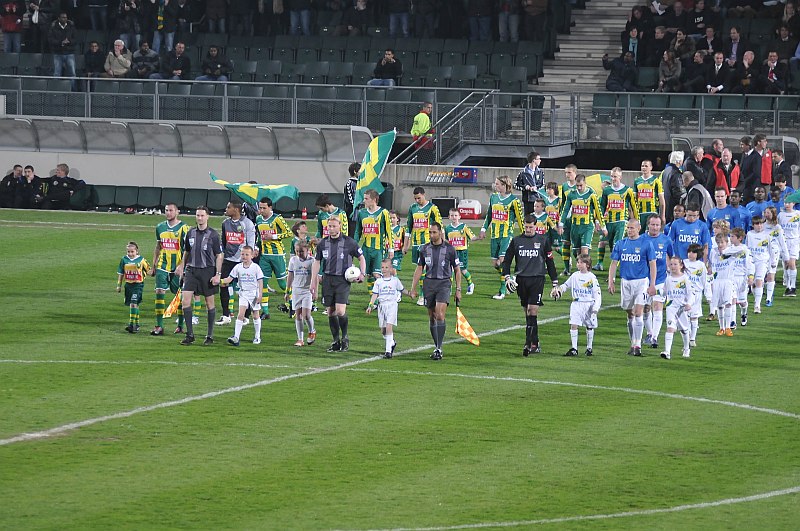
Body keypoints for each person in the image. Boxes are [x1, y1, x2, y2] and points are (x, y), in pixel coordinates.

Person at [502, 215, 559, 356]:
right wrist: (507, 277)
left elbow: (550, 262)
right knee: (527, 313)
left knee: (532, 310)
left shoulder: (543, 240)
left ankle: (528, 344)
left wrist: (555, 282)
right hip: (521, 280)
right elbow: (507, 261)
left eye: (530, 227)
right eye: (526, 227)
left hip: (537, 279)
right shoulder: (516, 241)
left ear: (535, 226)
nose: (528, 229)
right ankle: (535, 341)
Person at [310, 216, 366, 353]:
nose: (331, 228)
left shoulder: (349, 242)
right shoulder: (323, 243)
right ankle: (335, 341)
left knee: (340, 311)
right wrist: (313, 281)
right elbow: (317, 262)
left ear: (340, 226)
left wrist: (362, 274)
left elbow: (361, 257)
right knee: (330, 312)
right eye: (329, 226)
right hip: (328, 279)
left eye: (334, 226)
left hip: (342, 280)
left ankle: (345, 337)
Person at [410, 222, 461, 360]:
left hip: (444, 284)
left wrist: (458, 289)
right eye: (430, 233)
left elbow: (457, 270)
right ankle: (436, 346)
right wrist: (413, 288)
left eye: (434, 232)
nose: (432, 235)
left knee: (439, 314)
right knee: (432, 316)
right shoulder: (424, 249)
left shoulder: (450, 249)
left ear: (440, 232)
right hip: (429, 284)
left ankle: (439, 347)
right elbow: (419, 268)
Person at [607, 218, 657, 357]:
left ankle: (638, 345)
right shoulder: (620, 244)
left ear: (638, 228)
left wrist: (652, 284)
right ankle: (632, 342)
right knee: (630, 314)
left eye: (632, 228)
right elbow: (613, 263)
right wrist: (611, 281)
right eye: (628, 228)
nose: (629, 230)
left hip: (641, 282)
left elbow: (652, 264)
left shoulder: (646, 244)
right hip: (626, 282)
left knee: (638, 312)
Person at [176, 206, 223, 346]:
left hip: (207, 271)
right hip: (191, 271)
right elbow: (186, 252)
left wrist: (218, 274)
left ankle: (209, 335)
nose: (200, 218)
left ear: (207, 217)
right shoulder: (190, 233)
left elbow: (219, 255)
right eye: (197, 215)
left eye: (202, 215)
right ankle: (190, 334)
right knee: (185, 301)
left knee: (209, 304)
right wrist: (182, 267)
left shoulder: (213, 235)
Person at [478, 176, 525, 300]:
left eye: (498, 184)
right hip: (494, 235)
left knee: (503, 261)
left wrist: (524, 234)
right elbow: (489, 215)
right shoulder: (493, 197)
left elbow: (520, 219)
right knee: (495, 264)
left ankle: (502, 291)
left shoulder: (514, 200)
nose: (496, 186)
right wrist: (483, 229)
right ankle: (510, 279)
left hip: (506, 235)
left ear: (505, 185)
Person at [150, 202, 189, 336]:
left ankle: (180, 325)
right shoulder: (160, 227)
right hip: (162, 265)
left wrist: (182, 265)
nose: (168, 213)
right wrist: (153, 265)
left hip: (178, 267)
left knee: (179, 296)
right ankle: (159, 326)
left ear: (177, 212)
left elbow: (188, 250)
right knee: (159, 292)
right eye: (166, 210)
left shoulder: (184, 228)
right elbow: (158, 247)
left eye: (171, 210)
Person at [551, 253, 602, 357]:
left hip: (588, 304)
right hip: (576, 304)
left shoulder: (592, 278)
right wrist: (558, 290)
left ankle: (589, 348)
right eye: (578, 262)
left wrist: (595, 309)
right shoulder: (575, 276)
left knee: (589, 326)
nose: (578, 264)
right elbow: (565, 285)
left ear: (587, 264)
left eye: (580, 262)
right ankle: (574, 348)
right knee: (574, 324)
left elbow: (597, 294)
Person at [216, 200, 256, 325]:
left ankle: (245, 316)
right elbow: (223, 241)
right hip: (228, 259)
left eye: (229, 207)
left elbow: (251, 243)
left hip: (242, 260)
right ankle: (226, 314)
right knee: (223, 284)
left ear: (236, 210)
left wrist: (248, 259)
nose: (226, 209)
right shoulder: (225, 223)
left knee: (246, 288)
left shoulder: (247, 223)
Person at [403, 186, 442, 305]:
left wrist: (442, 243)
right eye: (415, 198)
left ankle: (422, 295)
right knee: (419, 269)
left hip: (428, 243)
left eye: (419, 198)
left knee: (424, 269)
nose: (417, 201)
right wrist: (406, 245)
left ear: (424, 195)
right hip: (416, 243)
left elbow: (440, 227)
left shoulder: (432, 208)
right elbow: (408, 227)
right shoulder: (412, 208)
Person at [253, 197, 291, 320]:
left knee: (282, 283)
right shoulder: (258, 219)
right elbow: (259, 236)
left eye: (264, 208)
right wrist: (257, 248)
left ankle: (292, 305)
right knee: (262, 283)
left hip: (278, 255)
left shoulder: (277, 218)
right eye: (260, 208)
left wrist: (274, 236)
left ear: (270, 207)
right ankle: (265, 311)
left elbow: (289, 233)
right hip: (264, 256)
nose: (261, 210)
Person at [559, 174, 606, 270]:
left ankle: (587, 272)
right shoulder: (571, 194)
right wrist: (561, 224)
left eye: (581, 185)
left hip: (587, 227)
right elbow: (565, 210)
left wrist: (602, 226)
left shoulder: (591, 194)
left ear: (585, 183)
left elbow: (598, 211)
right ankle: (581, 272)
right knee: (577, 253)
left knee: (584, 251)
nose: (579, 188)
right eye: (577, 186)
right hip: (575, 227)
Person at [220, 245, 264, 346]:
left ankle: (257, 336)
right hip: (243, 293)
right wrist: (220, 281)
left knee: (255, 314)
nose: (244, 256)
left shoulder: (256, 267)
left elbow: (260, 281)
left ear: (252, 256)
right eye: (242, 254)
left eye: (247, 254)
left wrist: (260, 294)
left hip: (253, 293)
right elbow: (229, 279)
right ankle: (236, 337)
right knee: (240, 314)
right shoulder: (238, 267)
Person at [641, 215, 674, 349]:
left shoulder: (666, 240)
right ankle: (649, 333)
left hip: (661, 279)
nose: (655, 227)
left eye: (657, 225)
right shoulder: (641, 240)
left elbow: (672, 257)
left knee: (657, 306)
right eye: (653, 225)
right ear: (648, 225)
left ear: (661, 226)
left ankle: (654, 337)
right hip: (643, 279)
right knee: (645, 308)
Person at [367, 259, 410, 358]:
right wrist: (370, 305)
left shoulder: (395, 280)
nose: (384, 269)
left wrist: (410, 293)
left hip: (392, 305)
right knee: (383, 330)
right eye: (382, 267)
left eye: (387, 267)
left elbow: (402, 290)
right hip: (382, 306)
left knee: (389, 326)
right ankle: (392, 342)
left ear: (391, 268)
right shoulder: (379, 281)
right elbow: (375, 294)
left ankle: (388, 351)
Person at [598, 167, 639, 271]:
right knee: (609, 245)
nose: (613, 178)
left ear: (620, 176)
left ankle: (616, 271)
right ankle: (605, 264)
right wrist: (599, 220)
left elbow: (634, 206)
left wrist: (637, 221)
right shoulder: (607, 190)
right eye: (611, 176)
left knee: (617, 244)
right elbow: (602, 206)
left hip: (621, 221)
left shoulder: (627, 190)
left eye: (615, 176)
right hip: (609, 221)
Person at [354, 189, 394, 292]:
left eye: (366, 198)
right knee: (369, 275)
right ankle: (374, 300)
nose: (364, 201)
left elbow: (389, 231)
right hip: (366, 249)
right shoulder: (362, 213)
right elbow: (358, 231)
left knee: (377, 274)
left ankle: (387, 293)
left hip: (378, 249)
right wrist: (354, 246)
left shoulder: (383, 213)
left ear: (374, 199)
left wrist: (391, 249)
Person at [659, 256, 692, 360]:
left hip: (682, 308)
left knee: (684, 330)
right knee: (670, 329)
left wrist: (689, 304)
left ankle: (687, 348)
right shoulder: (668, 279)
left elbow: (690, 294)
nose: (673, 266)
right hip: (671, 307)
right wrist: (654, 293)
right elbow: (664, 292)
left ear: (681, 265)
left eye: (675, 264)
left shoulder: (685, 279)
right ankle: (667, 352)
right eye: (671, 264)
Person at [286, 241, 316, 346]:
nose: (299, 253)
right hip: (296, 290)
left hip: (307, 290)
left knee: (306, 315)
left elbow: (315, 277)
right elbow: (290, 276)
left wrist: (315, 291)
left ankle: (312, 331)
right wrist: (287, 290)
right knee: (297, 315)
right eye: (297, 251)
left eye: (301, 251)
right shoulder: (293, 260)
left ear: (308, 250)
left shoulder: (312, 261)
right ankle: (300, 339)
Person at [116, 241, 150, 333]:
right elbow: (121, 273)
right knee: (135, 305)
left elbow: (149, 270)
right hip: (128, 285)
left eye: (132, 252)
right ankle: (137, 324)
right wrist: (119, 285)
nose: (130, 254)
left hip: (138, 285)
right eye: (128, 252)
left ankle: (131, 324)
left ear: (137, 251)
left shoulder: (141, 260)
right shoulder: (124, 260)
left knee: (133, 303)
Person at [724, 227, 755, 328]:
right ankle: (732, 321)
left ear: (740, 238)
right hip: (731, 278)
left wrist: (750, 276)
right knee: (732, 299)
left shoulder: (745, 250)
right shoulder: (728, 250)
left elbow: (750, 264)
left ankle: (744, 313)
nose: (730, 238)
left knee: (742, 302)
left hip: (742, 278)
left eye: (732, 236)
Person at [445, 208, 478, 295]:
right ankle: (449, 288)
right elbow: (445, 239)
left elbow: (472, 236)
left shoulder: (463, 227)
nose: (454, 217)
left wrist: (478, 238)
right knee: (450, 270)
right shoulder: (448, 228)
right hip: (452, 252)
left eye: (456, 215)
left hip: (462, 252)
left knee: (462, 270)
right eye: (452, 215)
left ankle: (470, 284)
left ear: (459, 216)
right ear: (449, 217)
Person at [709, 232, 737, 336]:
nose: (720, 244)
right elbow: (712, 264)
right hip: (717, 281)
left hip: (727, 280)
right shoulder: (713, 252)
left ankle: (728, 327)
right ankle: (721, 328)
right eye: (718, 242)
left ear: (727, 242)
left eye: (722, 242)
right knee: (720, 305)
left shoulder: (730, 252)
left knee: (728, 303)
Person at [746, 217, 773, 313]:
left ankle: (757, 305)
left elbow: (770, 250)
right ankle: (756, 298)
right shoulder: (749, 234)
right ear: (753, 225)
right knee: (752, 283)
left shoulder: (767, 235)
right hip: (752, 262)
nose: (759, 226)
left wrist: (772, 263)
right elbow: (747, 248)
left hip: (762, 261)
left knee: (759, 281)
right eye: (757, 224)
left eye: (761, 224)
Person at [683, 243, 707, 346]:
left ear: (698, 254)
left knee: (694, 316)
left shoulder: (701, 265)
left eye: (693, 252)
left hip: (696, 293)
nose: (690, 254)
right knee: (686, 316)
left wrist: (705, 292)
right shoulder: (683, 263)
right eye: (689, 252)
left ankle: (693, 338)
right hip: (685, 294)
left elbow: (704, 279)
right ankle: (687, 337)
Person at [764, 206, 789, 304]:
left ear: (773, 214)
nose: (767, 214)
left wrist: (786, 257)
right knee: (763, 276)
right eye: (765, 212)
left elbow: (782, 243)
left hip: (774, 253)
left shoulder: (777, 227)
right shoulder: (762, 226)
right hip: (763, 253)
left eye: (769, 213)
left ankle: (769, 298)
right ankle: (765, 292)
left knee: (771, 274)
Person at [634, 159, 666, 231]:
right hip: (640, 213)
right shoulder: (637, 181)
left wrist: (662, 215)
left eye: (646, 166)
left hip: (652, 212)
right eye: (642, 166)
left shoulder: (656, 181)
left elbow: (662, 200)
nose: (644, 168)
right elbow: (634, 199)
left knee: (650, 233)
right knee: (640, 234)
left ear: (651, 167)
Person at [48, 12, 77, 87]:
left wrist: (69, 41)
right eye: (63, 17)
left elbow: (76, 39)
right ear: (59, 18)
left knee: (72, 73)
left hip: (69, 53)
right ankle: (56, 90)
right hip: (58, 53)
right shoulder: (53, 28)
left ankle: (73, 90)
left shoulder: (71, 27)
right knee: (57, 73)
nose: (65, 19)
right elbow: (51, 40)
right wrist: (61, 42)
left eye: (66, 17)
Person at [778, 199, 800, 296]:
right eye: (785, 202)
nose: (787, 204)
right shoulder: (781, 215)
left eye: (789, 202)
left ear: (793, 203)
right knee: (786, 264)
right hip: (784, 242)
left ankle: (793, 287)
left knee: (792, 263)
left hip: (794, 241)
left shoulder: (798, 214)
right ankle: (788, 286)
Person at [515, 151, 545, 216]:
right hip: (528, 200)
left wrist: (536, 187)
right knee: (528, 218)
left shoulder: (540, 172)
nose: (540, 160)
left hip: (538, 199)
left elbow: (542, 185)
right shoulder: (523, 173)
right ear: (534, 160)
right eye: (538, 159)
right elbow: (516, 185)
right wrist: (525, 187)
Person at [342, 162, 362, 237]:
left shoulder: (359, 183)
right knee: (351, 233)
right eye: (360, 170)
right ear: (355, 171)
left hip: (358, 212)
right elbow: (351, 199)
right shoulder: (350, 183)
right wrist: (357, 204)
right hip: (351, 212)